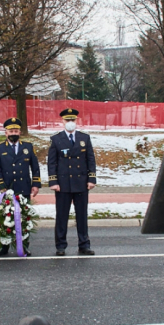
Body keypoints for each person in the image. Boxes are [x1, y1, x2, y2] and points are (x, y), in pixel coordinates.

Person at [48, 108, 96, 256]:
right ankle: (60, 246)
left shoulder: (84, 138)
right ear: (62, 121)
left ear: (77, 121)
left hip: (80, 182)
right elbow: (52, 162)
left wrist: (91, 178)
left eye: (72, 120)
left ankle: (84, 244)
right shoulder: (56, 139)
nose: (70, 123)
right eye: (67, 120)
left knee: (82, 216)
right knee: (62, 216)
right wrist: (53, 181)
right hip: (63, 184)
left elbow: (90, 159)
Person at [0, 117, 41, 256]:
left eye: (16, 130)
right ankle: (4, 246)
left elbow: (35, 167)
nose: (14, 133)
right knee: (5, 217)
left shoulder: (28, 147)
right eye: (11, 131)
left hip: (23, 187)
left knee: (23, 217)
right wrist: (1, 186)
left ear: (20, 132)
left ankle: (24, 245)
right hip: (6, 188)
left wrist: (35, 184)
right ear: (6, 133)